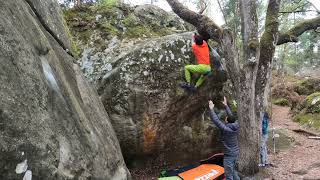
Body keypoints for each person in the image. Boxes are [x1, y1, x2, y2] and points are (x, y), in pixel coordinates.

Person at [208, 97, 240, 180]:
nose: (225, 118)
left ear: (227, 121)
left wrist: (211, 109)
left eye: (226, 118)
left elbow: (216, 121)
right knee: (233, 171)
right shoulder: (236, 125)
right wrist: (226, 106)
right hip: (235, 153)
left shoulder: (226, 129)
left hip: (229, 156)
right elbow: (231, 117)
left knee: (229, 175)